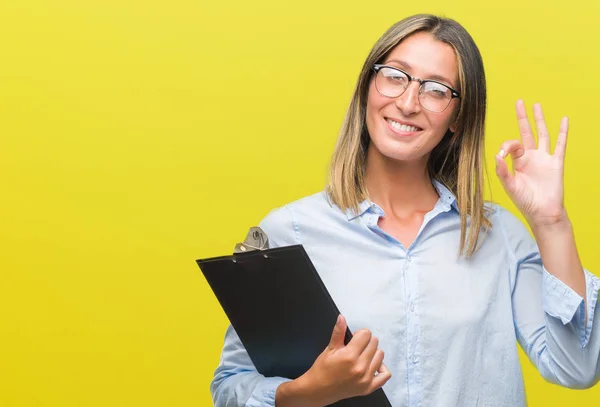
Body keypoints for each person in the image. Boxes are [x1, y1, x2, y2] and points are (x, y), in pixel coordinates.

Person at [209, 14, 600, 407]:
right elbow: (230, 387)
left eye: (436, 90)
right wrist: (309, 392)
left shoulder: (499, 236)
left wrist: (552, 222)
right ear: (367, 87)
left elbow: (578, 368)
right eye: (395, 76)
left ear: (457, 119)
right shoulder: (289, 232)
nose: (408, 103)